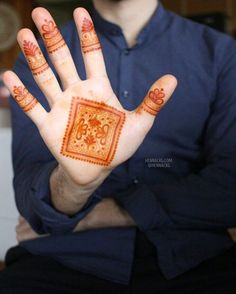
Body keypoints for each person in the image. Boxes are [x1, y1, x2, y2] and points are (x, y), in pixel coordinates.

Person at [1, 0, 236, 293]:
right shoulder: (40, 59)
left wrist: (108, 213)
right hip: (64, 261)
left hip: (196, 259)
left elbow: (230, 185)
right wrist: (76, 186)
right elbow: (31, 192)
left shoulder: (223, 54)